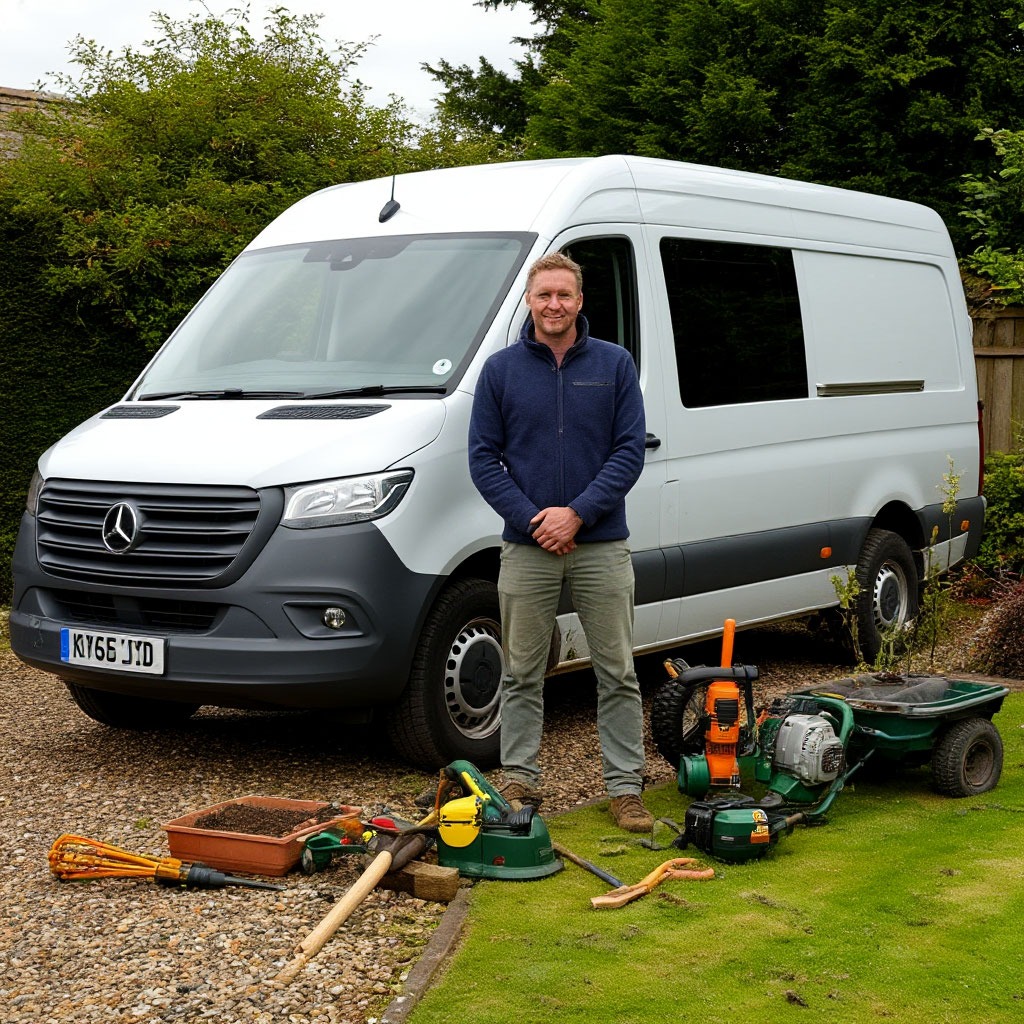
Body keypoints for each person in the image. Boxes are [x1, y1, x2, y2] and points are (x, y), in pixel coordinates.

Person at [468, 251, 653, 832]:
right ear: (529, 300)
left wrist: (577, 514)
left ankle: (625, 789)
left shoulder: (614, 364)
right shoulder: (499, 371)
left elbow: (629, 451)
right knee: (521, 672)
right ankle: (520, 780)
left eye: (564, 295)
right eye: (544, 295)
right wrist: (534, 520)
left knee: (617, 671)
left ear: (580, 301)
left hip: (601, 544)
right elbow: (483, 459)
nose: (554, 305)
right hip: (526, 548)